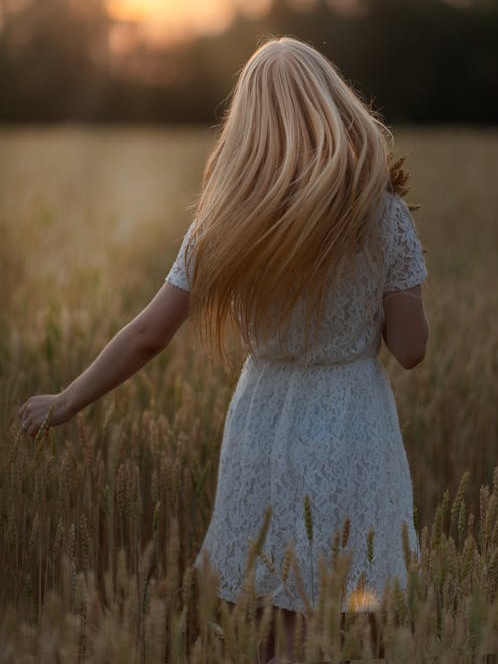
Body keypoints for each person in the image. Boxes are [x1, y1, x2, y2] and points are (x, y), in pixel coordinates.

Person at [18, 36, 429, 664]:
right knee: (353, 607)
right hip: (352, 421)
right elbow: (410, 349)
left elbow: (149, 334)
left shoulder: (223, 220)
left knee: (266, 617)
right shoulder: (383, 215)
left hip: (261, 419)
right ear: (336, 104)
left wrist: (68, 400)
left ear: (248, 127)